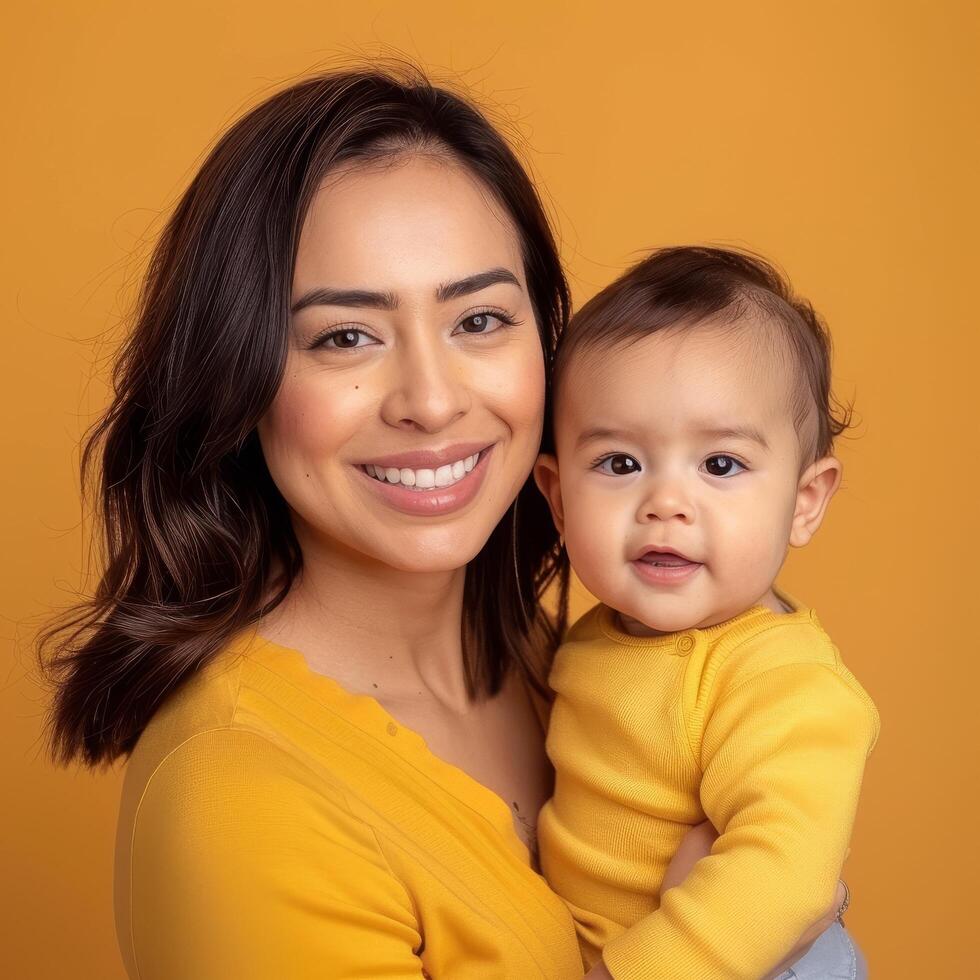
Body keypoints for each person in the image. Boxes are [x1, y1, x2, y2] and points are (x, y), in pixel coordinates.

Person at [36, 67, 848, 978]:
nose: (429, 400)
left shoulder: (572, 663)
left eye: (479, 319)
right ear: (240, 376)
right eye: (345, 336)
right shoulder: (239, 792)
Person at [532, 245, 880, 979]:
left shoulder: (780, 679)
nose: (666, 503)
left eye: (720, 465)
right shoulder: (592, 640)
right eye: (620, 463)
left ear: (804, 502)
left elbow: (785, 877)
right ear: (559, 499)